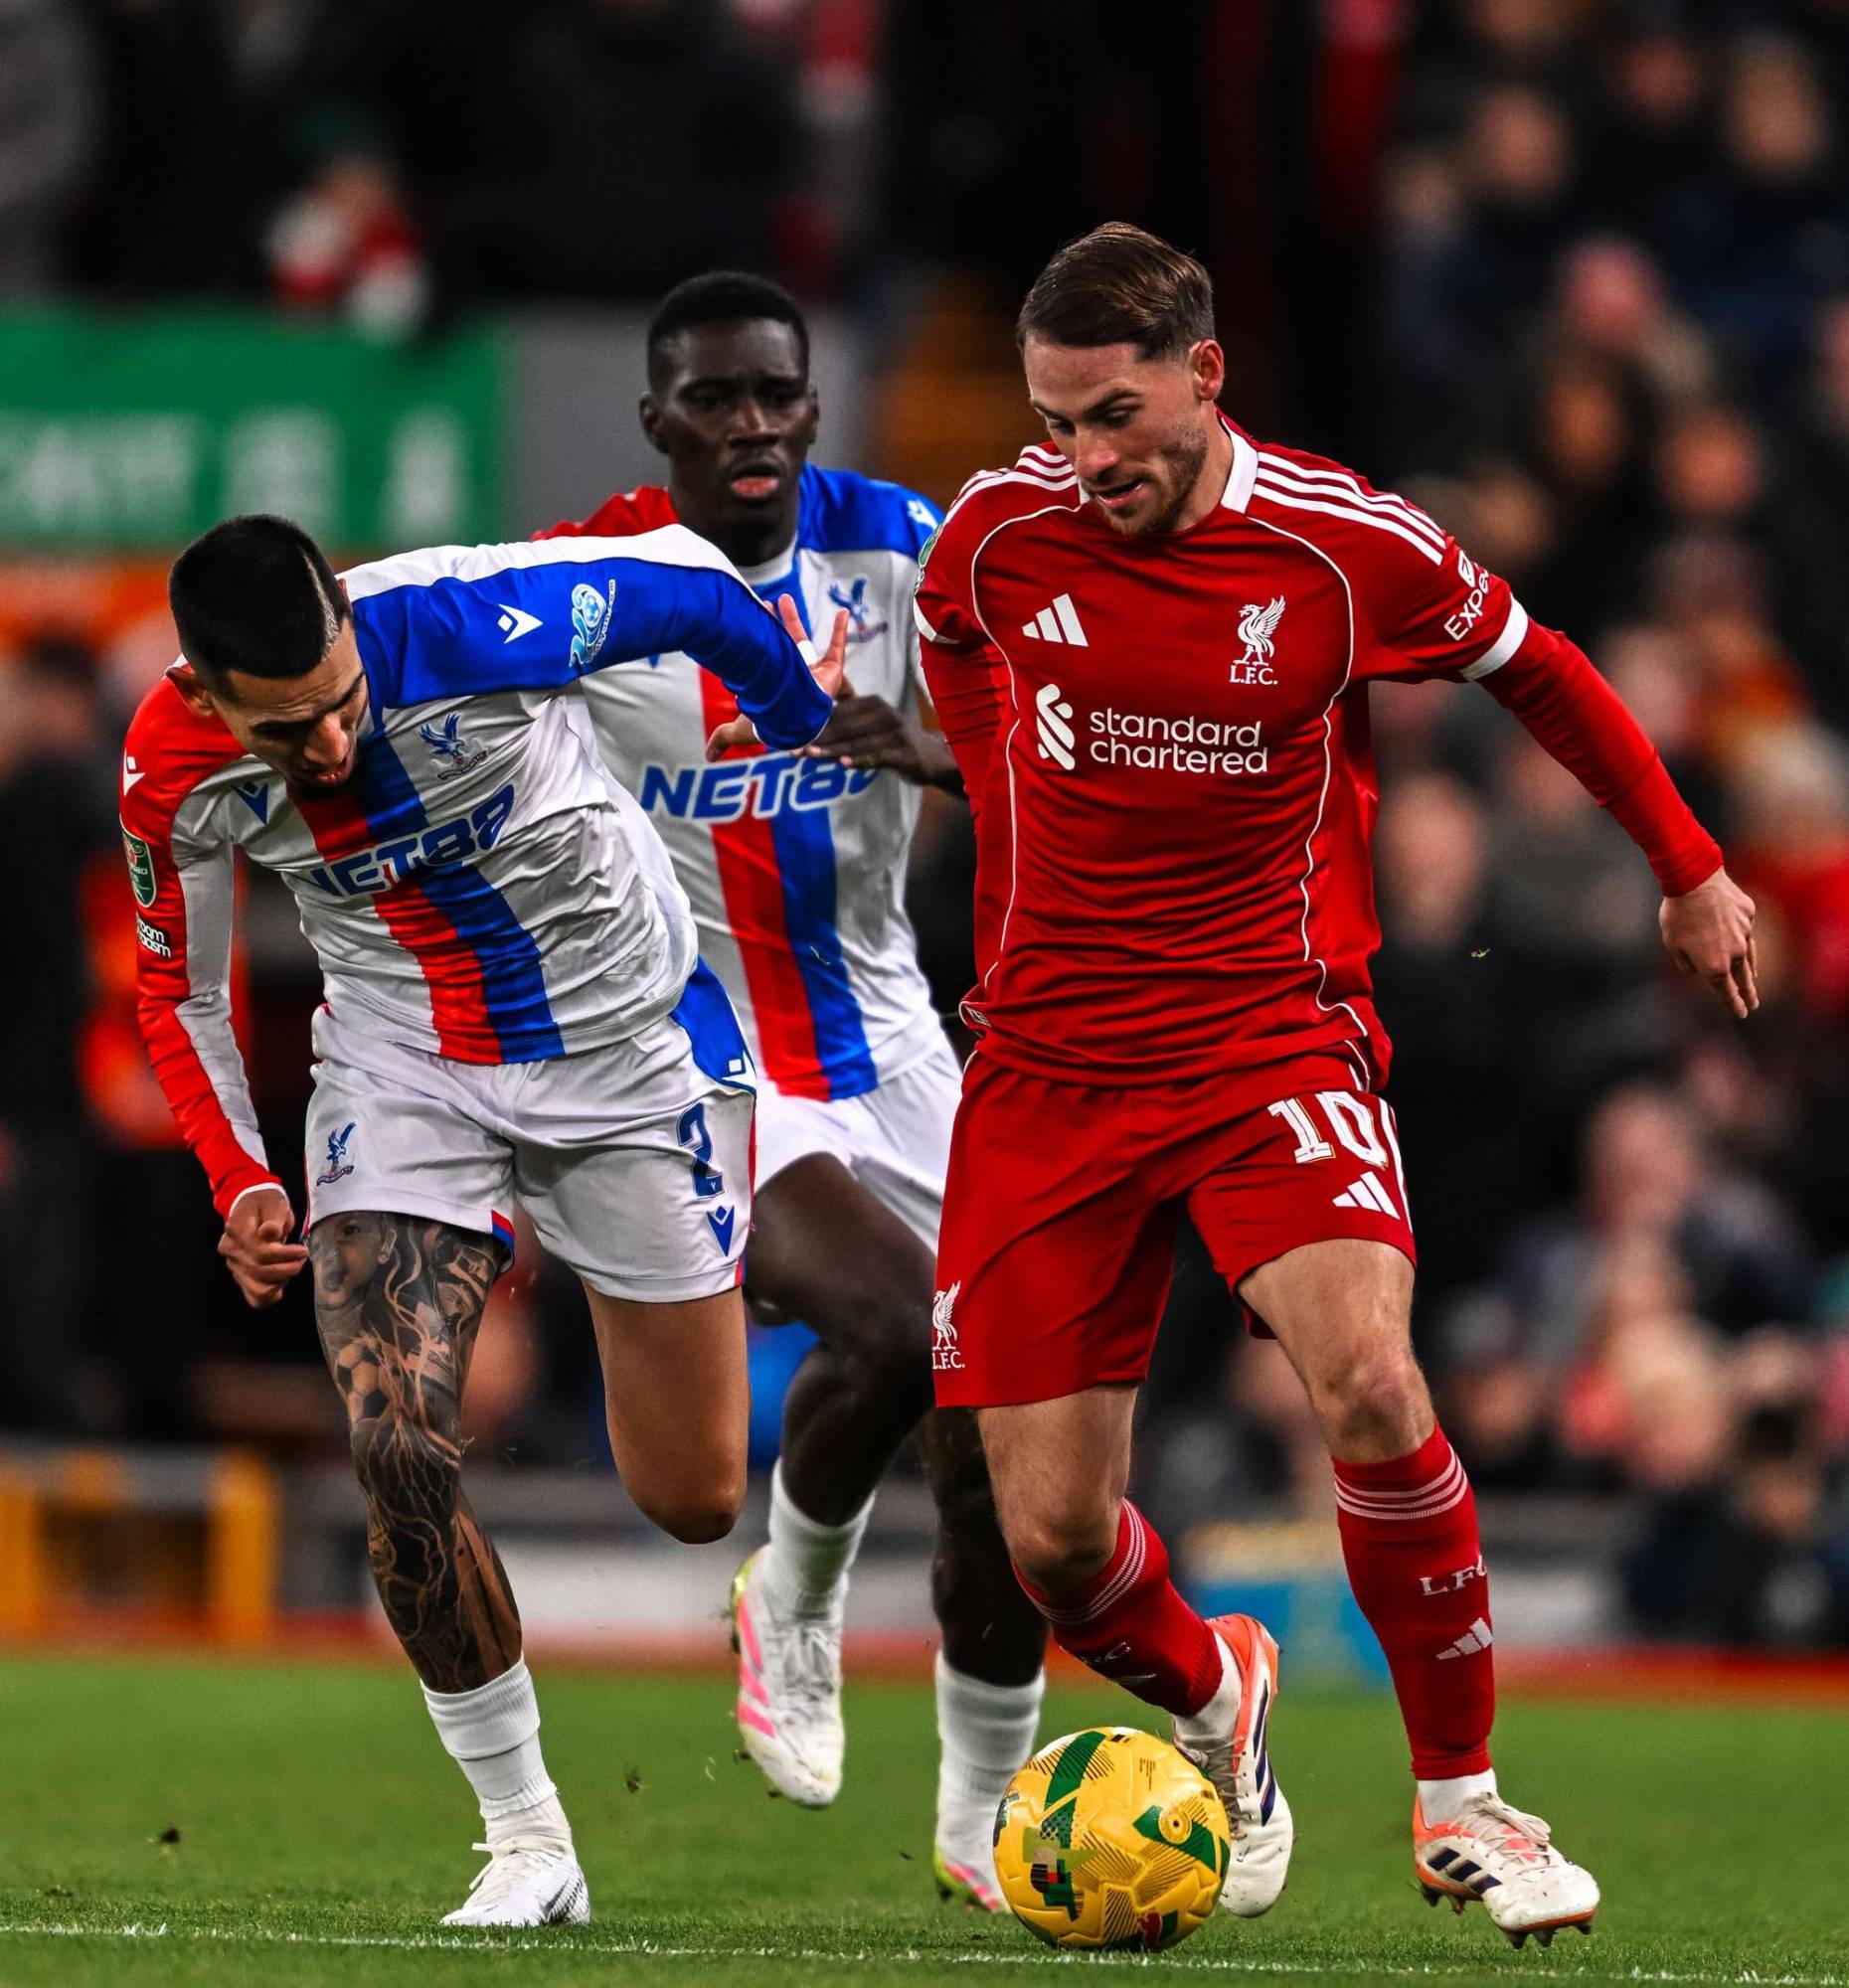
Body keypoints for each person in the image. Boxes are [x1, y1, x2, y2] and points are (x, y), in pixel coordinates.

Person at [914, 225, 1758, 1944]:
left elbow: (1541, 669)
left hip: (1266, 1033)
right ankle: (1217, 1687)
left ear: (1204, 375)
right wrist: (1006, 812)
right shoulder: (997, 535)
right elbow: (953, 638)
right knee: (1054, 1545)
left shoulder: (1342, 543)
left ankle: (1465, 1805)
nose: (1084, 460)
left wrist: (1687, 866)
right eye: (1056, 422)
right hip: (1049, 1069)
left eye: (1115, 417)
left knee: (1368, 1375)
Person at [123, 512, 840, 1927]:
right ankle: (528, 1839)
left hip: (631, 1052)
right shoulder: (170, 769)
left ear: (351, 624)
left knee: (694, 1497)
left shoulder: (475, 616)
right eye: (287, 731)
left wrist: (802, 727)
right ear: (207, 693)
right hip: (404, 1068)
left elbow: (697, 587)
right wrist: (241, 1176)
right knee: (395, 1440)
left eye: (342, 701)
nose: (331, 744)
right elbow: (180, 990)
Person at [537, 271, 1048, 1908]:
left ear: (816, 403)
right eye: (715, 400)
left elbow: (1063, 747)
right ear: (657, 422)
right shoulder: (591, 587)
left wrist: (938, 751)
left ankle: (985, 1818)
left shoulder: (913, 553)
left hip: (892, 1037)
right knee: (908, 1330)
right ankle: (797, 1594)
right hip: (699, 1052)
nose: (751, 425)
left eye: (777, 394)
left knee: (1008, 1423)